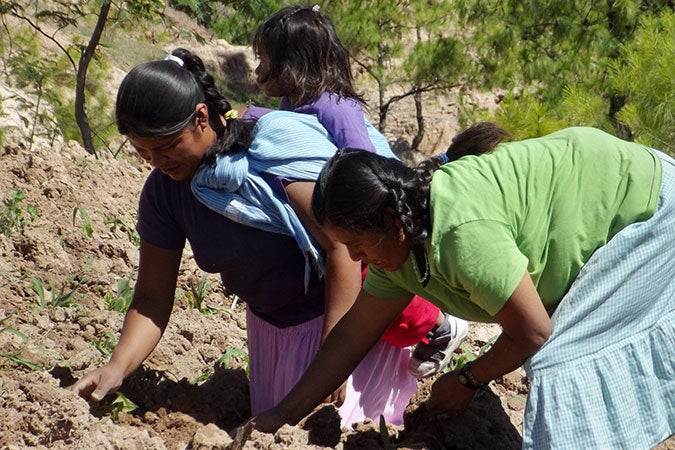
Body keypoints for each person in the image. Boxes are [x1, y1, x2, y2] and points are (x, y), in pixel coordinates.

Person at [254, 122, 675, 449]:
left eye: (356, 244)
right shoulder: (399, 244)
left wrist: (468, 380)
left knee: (560, 360)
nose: (355, 258)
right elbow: (351, 336)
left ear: (391, 223)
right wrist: (281, 415)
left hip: (647, 204)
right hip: (607, 187)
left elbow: (532, 330)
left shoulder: (459, 232)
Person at [67, 48, 419, 428]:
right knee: (271, 430)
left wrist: (332, 359)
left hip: (341, 323)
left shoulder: (270, 156)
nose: (158, 162)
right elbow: (152, 298)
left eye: (167, 146)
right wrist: (116, 367)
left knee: (334, 433)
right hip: (270, 333)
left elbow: (342, 249)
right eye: (144, 152)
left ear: (201, 117)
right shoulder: (165, 192)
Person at [251, 3, 468, 378]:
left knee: (376, 285)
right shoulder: (294, 103)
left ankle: (438, 325)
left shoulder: (334, 106)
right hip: (336, 213)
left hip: (360, 213)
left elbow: (364, 162)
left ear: (294, 61)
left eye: (266, 59)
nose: (257, 70)